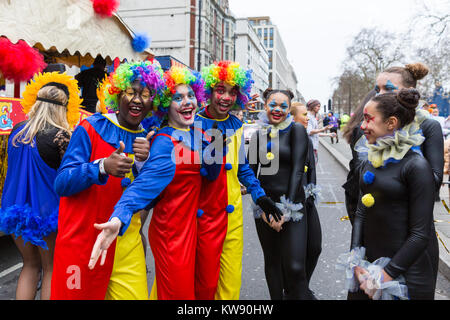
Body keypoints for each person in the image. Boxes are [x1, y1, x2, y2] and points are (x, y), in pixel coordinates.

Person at [87, 66, 222, 300]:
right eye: (178, 98)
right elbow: (145, 184)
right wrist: (120, 215)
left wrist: (214, 146)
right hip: (173, 232)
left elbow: (210, 176)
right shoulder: (164, 141)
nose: (187, 102)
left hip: (196, 229)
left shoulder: (199, 134)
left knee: (201, 290)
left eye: (191, 95)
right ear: (165, 106)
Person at [50, 61, 162, 300]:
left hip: (126, 245)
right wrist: (101, 167)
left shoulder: (147, 139)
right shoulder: (90, 127)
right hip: (83, 244)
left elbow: (150, 199)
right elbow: (61, 183)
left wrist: (145, 165)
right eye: (131, 92)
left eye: (145, 94)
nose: (138, 100)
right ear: (117, 93)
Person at [194, 61, 283, 300]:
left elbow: (242, 167)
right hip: (203, 213)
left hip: (232, 214)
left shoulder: (236, 124)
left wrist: (259, 195)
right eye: (220, 90)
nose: (226, 97)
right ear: (209, 91)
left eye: (232, 92)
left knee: (231, 278)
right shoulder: (193, 123)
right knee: (205, 281)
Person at [349, 88, 438, 300]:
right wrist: (356, 260)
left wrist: (386, 274)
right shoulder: (369, 160)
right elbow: (361, 212)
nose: (363, 126)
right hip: (367, 269)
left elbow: (420, 233)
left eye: (369, 119)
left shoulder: (416, 166)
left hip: (406, 275)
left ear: (391, 123)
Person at [0, 72, 81, 299]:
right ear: (62, 109)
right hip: (48, 215)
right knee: (50, 269)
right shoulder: (62, 136)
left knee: (29, 266)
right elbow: (70, 177)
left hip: (15, 212)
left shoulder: (17, 131)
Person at [248, 91, 314, 300]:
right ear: (265, 106)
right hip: (265, 207)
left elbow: (297, 170)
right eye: (273, 105)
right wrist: (263, 208)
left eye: (283, 106)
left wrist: (286, 209)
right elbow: (251, 173)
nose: (278, 109)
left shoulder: (296, 130)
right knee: (273, 261)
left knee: (295, 266)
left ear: (288, 109)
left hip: (292, 206)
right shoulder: (258, 135)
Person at [290, 102, 322, 292]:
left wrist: (311, 195)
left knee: (315, 247)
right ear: (292, 118)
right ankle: (297, 290)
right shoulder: (283, 139)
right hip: (291, 203)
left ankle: (303, 286)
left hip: (307, 201)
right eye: (303, 114)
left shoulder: (307, 141)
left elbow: (311, 171)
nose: (307, 117)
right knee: (294, 254)